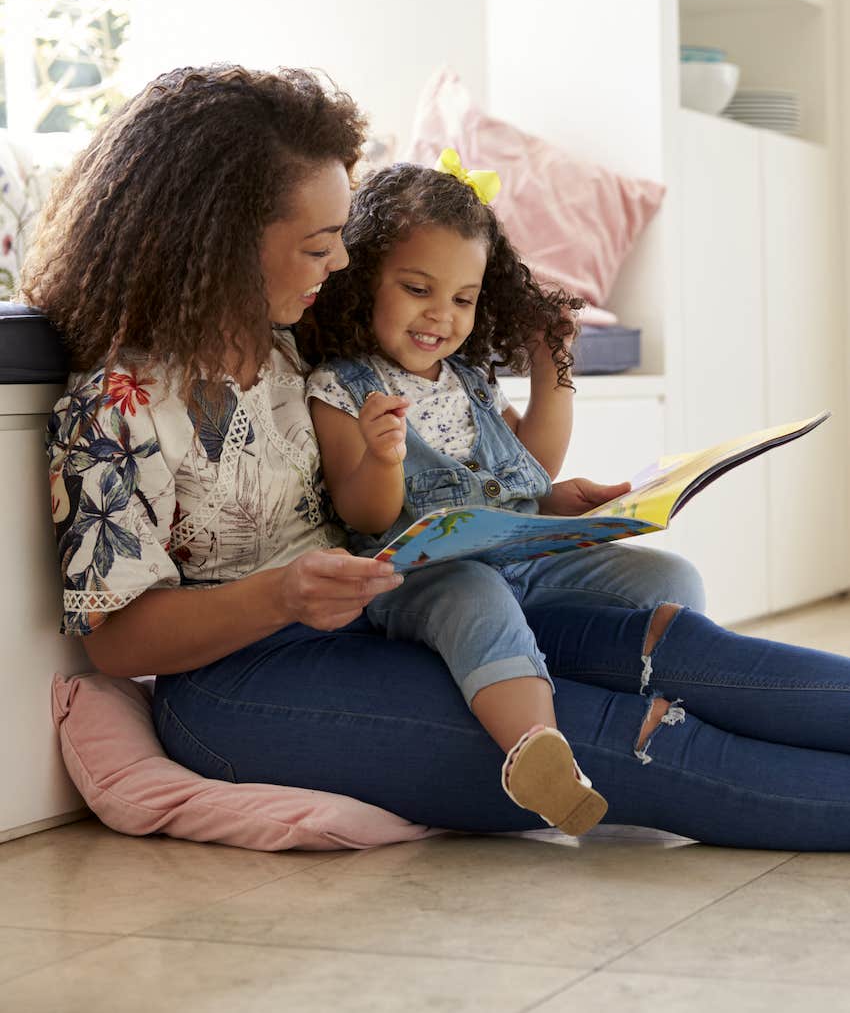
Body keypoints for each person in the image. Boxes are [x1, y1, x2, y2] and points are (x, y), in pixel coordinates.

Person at [22, 64, 850, 852]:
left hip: (393, 615)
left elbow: (433, 450)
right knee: (630, 741)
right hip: (244, 686)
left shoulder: (297, 354)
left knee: (680, 650)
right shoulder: (114, 410)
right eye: (320, 245)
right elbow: (119, 643)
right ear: (222, 241)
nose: (342, 263)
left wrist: (543, 512)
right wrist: (282, 594)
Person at [301, 154, 614, 835]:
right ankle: (538, 754)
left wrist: (550, 367)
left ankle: (622, 672)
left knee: (659, 573)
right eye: (418, 288)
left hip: (514, 556)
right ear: (361, 281)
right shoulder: (342, 386)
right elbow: (365, 515)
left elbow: (525, 465)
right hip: (416, 580)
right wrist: (383, 457)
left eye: (463, 299)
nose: (441, 316)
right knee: (473, 593)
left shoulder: (467, 379)